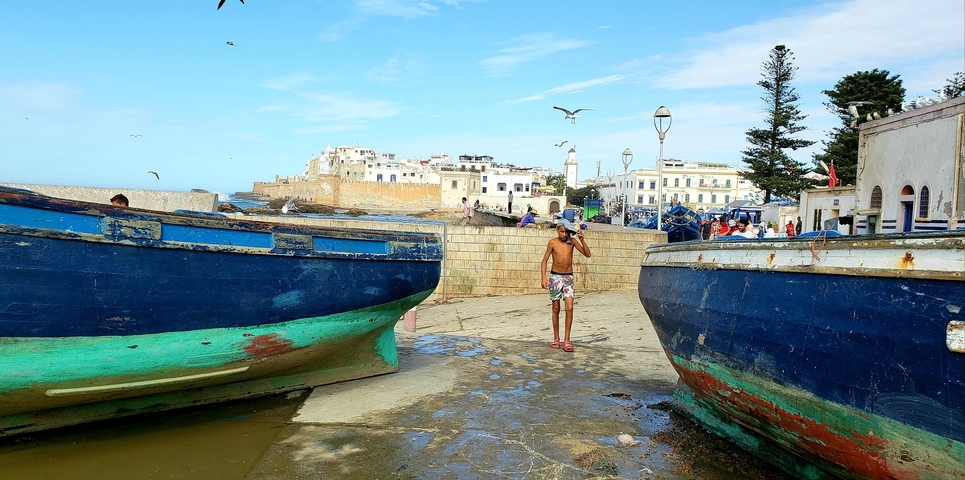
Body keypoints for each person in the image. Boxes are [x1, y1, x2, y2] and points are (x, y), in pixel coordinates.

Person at [540, 219, 591, 353]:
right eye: (562, 231)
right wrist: (543, 277)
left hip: (568, 277)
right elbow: (544, 260)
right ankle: (556, 338)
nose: (564, 234)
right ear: (557, 230)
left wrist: (582, 240)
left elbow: (587, 254)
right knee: (556, 308)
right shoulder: (553, 243)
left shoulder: (572, 242)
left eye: (566, 232)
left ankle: (567, 340)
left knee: (569, 307)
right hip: (555, 277)